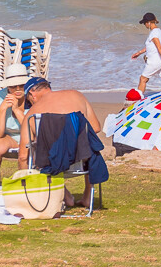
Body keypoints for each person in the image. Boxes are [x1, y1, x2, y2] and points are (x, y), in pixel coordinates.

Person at [16, 78, 102, 208]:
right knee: (89, 141)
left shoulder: (31, 114)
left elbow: (23, 156)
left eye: (30, 101)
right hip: (81, 158)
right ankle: (88, 196)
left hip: (51, 163)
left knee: (39, 152)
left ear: (32, 94)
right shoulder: (76, 95)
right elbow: (95, 127)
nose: (31, 104)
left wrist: (25, 183)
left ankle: (65, 195)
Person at [0, 62, 31, 186]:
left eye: (21, 85)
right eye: (14, 86)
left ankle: (25, 186)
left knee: (26, 149)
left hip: (30, 136)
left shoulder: (32, 96)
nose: (18, 89)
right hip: (9, 136)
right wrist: (2, 109)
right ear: (8, 86)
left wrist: (16, 110)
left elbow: (31, 130)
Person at [130, 13, 161, 95]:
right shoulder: (158, 31)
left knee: (143, 79)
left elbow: (159, 48)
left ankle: (138, 98)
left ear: (149, 22)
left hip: (155, 61)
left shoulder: (154, 33)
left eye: (145, 23)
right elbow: (151, 47)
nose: (145, 25)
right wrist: (139, 53)